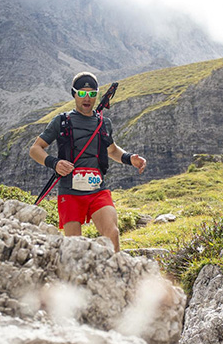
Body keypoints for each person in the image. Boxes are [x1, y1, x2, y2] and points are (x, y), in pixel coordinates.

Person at [29, 72, 146, 252]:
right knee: (75, 248)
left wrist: (129, 158)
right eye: (82, 93)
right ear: (74, 94)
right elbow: (35, 149)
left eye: (92, 94)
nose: (87, 98)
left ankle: (115, 275)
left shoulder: (103, 123)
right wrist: (55, 163)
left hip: (97, 190)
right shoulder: (61, 121)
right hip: (70, 192)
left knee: (112, 233)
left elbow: (112, 150)